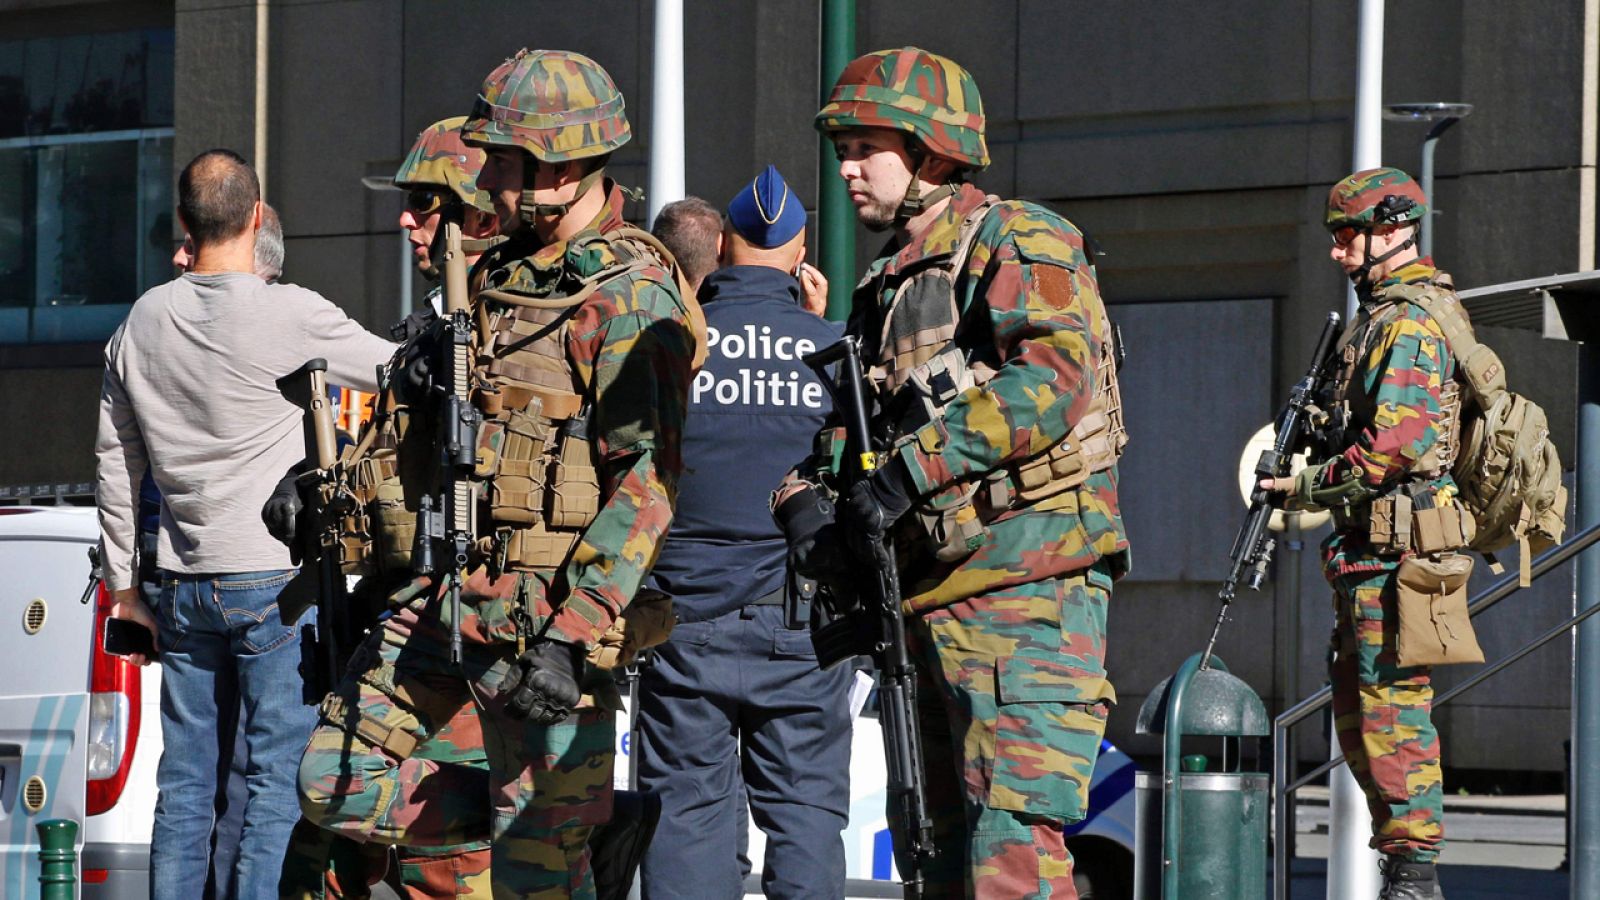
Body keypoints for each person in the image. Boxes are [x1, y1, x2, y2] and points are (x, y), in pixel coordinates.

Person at [295, 49, 697, 898]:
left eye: (505, 160)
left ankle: (564, 831)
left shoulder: (629, 292)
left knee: (533, 880)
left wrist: (571, 636)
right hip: (449, 600)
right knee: (333, 782)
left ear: (558, 165)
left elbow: (646, 487)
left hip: (548, 627)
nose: (489, 177)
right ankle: (573, 826)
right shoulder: (504, 277)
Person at [774, 47, 1130, 898]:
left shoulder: (1018, 236)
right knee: (932, 854)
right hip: (926, 596)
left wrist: (904, 475)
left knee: (1011, 855)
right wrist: (813, 503)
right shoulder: (886, 283)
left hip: (1026, 592)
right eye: (842, 150)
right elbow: (856, 428)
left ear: (930, 151)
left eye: (866, 148)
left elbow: (1053, 375)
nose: (848, 169)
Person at [95, 150, 394, 900]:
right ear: (256, 218)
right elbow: (398, 368)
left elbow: (115, 469)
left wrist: (125, 590)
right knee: (271, 781)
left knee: (186, 784)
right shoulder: (290, 312)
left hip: (182, 583)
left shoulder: (141, 322)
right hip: (272, 583)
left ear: (183, 227)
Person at [276, 118, 503, 900]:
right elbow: (384, 469)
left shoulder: (502, 335)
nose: (405, 220)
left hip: (467, 635)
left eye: (424, 205)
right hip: (389, 624)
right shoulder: (425, 337)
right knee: (320, 856)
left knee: (440, 871)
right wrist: (316, 490)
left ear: (478, 214)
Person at [635, 167, 848, 900]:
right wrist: (819, 326)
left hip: (682, 618)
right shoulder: (831, 348)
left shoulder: (670, 346)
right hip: (802, 621)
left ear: (723, 246)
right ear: (799, 254)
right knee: (806, 814)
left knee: (685, 814)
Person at [1263, 167, 1460, 900]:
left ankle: (1414, 878)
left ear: (1393, 229)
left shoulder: (1408, 323)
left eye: (1348, 236)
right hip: (1369, 552)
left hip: (1397, 552)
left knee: (1391, 711)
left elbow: (1394, 448)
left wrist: (1305, 485)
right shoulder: (1377, 319)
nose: (1338, 252)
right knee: (1361, 714)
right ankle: (1401, 868)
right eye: (1334, 236)